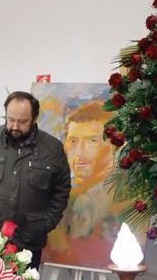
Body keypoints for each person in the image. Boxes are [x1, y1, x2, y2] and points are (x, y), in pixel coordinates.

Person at [0, 91, 71, 269]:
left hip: (28, 240)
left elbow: (61, 190)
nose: (15, 126)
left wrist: (47, 222)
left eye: (22, 122)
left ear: (34, 118)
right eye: (11, 119)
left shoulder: (52, 149)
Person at [45, 101, 121, 267]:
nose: (79, 153)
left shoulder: (113, 194)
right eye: (73, 141)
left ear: (113, 146)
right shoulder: (67, 193)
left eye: (92, 141)